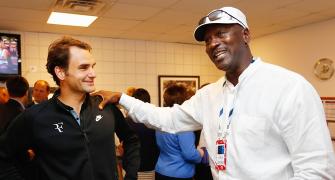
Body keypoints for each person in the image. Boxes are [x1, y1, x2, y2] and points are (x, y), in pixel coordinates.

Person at [94, 6, 335, 180]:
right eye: (208, 40)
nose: (213, 44)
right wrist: (122, 98)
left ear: (246, 35)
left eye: (221, 33)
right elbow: (167, 119)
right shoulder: (209, 94)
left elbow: (317, 169)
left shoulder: (289, 87)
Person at [0, 36, 140, 180]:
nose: (93, 74)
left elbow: (131, 140)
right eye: (84, 67)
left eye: (93, 66)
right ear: (60, 72)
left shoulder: (105, 107)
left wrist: (131, 175)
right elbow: (3, 157)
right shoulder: (35, 116)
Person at [155, 84, 203, 180]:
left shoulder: (161, 119)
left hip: (161, 170)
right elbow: (190, 154)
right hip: (179, 174)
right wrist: (201, 153)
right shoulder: (183, 122)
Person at [126, 88, 159, 179]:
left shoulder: (127, 121)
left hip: (131, 166)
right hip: (151, 165)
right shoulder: (154, 120)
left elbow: (122, 146)